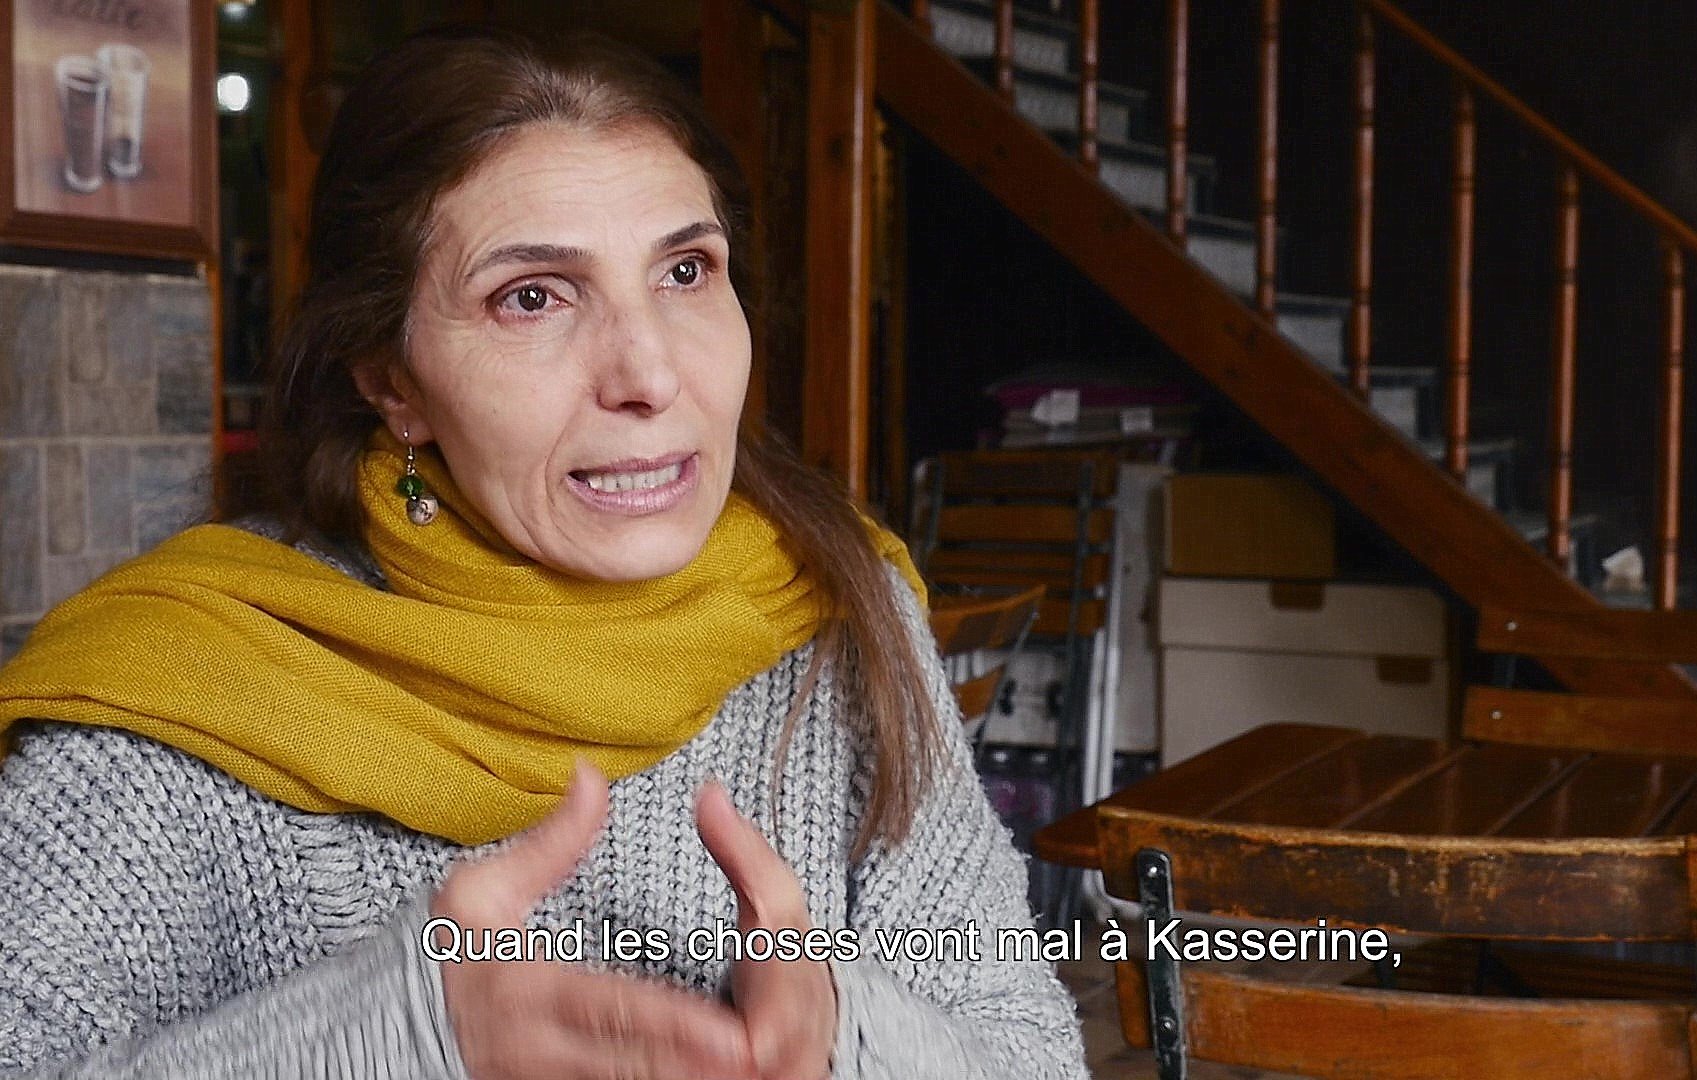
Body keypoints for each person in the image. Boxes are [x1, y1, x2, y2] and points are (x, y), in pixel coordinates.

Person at [0, 24, 1088, 1080]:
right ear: (391, 379)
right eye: (532, 296)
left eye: (684, 273)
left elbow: (1024, 1043)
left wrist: (844, 1027)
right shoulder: (181, 706)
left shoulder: (835, 606)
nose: (648, 374)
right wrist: (389, 1038)